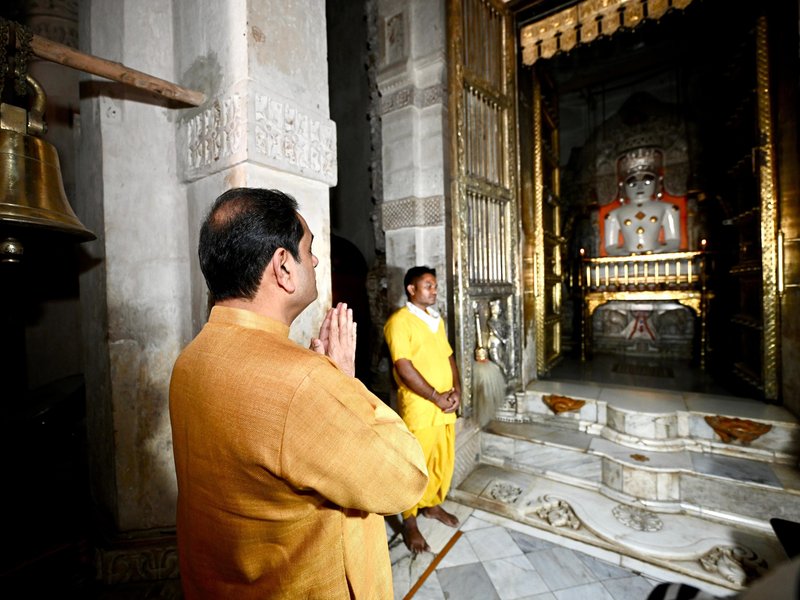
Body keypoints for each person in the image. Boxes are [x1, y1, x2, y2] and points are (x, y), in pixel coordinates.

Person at [169, 188, 428, 599]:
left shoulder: (190, 360)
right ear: (283, 267)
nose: (316, 260)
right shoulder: (302, 382)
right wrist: (343, 382)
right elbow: (407, 479)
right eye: (308, 249)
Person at [384, 266, 462, 553]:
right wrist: (434, 396)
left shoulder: (435, 320)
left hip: (445, 406)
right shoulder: (399, 322)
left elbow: (449, 356)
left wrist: (457, 390)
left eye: (435, 285)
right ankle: (410, 520)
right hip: (420, 408)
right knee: (416, 466)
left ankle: (431, 506)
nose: (434, 290)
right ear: (411, 289)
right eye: (428, 285)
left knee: (441, 460)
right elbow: (403, 367)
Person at [603, 146, 682, 256]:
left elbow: (673, 240)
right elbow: (610, 246)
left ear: (658, 182)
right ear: (622, 186)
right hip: (626, 260)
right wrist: (623, 254)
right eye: (633, 184)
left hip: (658, 257)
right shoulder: (613, 215)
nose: (640, 187)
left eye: (647, 182)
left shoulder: (668, 208)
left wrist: (661, 251)